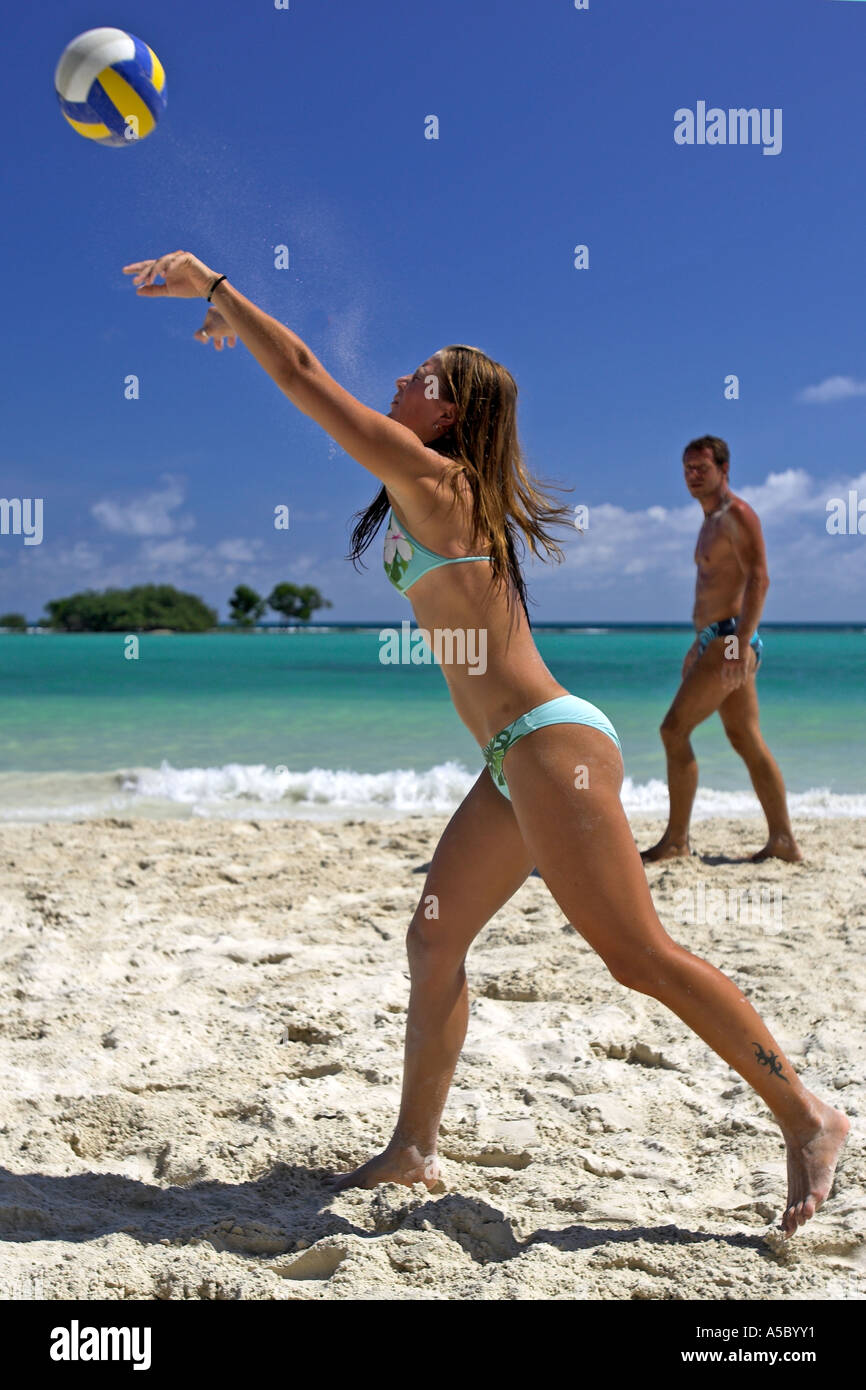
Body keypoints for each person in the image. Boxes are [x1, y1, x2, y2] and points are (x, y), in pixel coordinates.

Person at [123, 252, 847, 1236]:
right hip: (512, 759)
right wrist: (231, 325)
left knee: (637, 955)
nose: (396, 382)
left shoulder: (437, 479)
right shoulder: (429, 483)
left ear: (452, 411)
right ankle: (415, 1149)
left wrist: (216, 289)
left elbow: (300, 375)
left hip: (554, 748)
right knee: (432, 937)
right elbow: (300, 377)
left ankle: (804, 1114)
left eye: (418, 378)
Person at [642, 437, 802, 865]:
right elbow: (718, 588)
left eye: (701, 468)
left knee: (673, 730)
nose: (692, 475)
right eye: (687, 468)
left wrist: (737, 644)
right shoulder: (709, 520)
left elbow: (759, 579)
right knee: (745, 737)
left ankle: (676, 841)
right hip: (718, 638)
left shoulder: (738, 515)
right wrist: (702, 641)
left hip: (732, 639)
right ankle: (783, 840)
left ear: (724, 470)